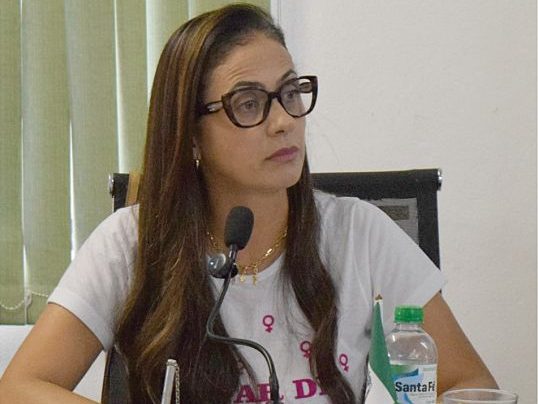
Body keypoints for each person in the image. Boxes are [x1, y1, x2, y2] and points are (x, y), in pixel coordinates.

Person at [0, 4, 497, 403]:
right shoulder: (132, 242)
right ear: (191, 134)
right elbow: (20, 387)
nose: (284, 121)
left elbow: (470, 384)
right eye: (249, 104)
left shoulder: (358, 234)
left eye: (290, 92)